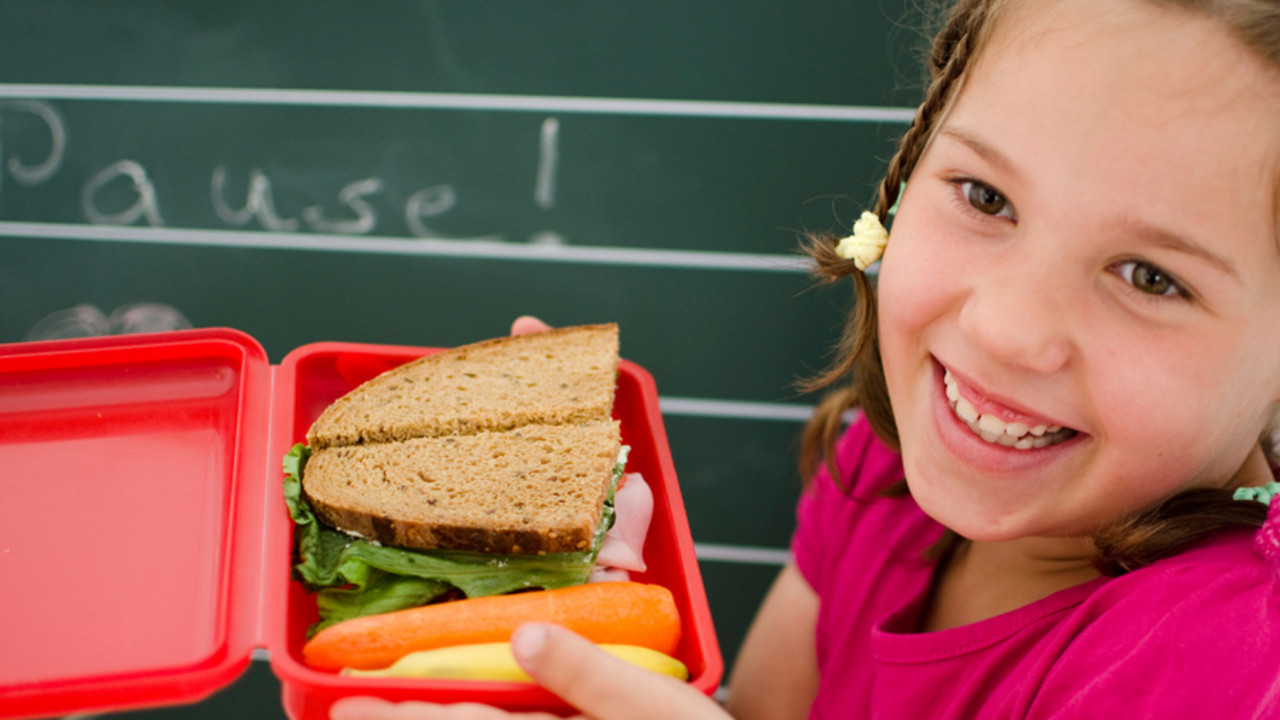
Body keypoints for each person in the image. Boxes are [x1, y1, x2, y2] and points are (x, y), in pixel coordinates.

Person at [332, 0, 1280, 716]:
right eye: (985, 198)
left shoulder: (1225, 663)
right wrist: (574, 581)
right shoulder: (890, 464)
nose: (1003, 331)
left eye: (1150, 278)